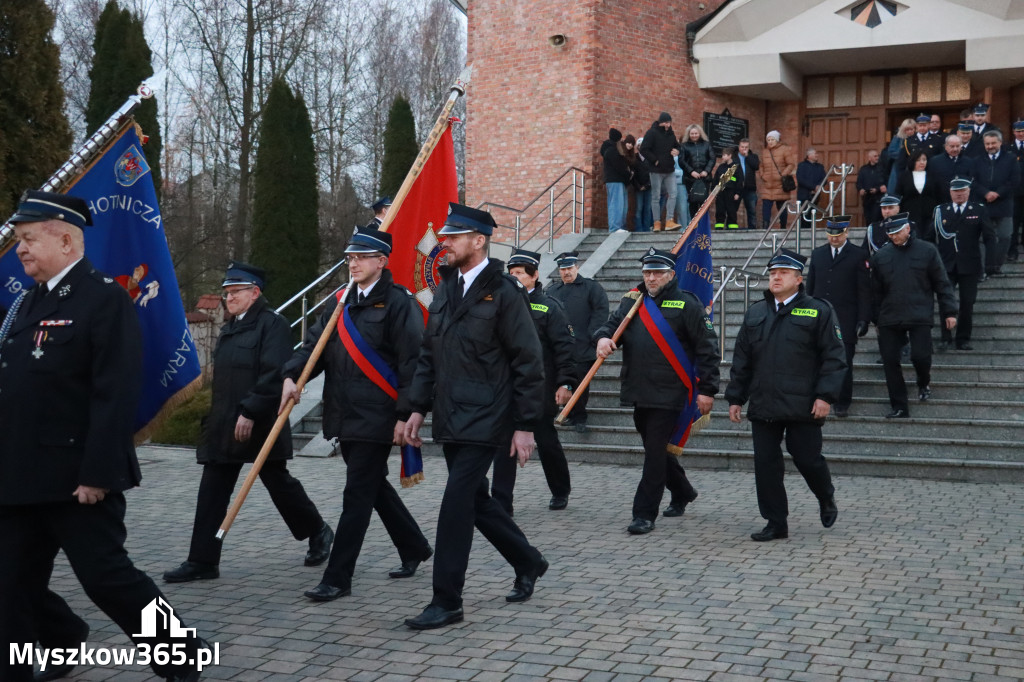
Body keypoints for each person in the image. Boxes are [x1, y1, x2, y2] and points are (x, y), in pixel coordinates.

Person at [0, 190, 206, 682]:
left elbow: (115, 394)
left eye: (28, 238)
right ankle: (57, 643)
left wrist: (98, 472)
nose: (20, 248)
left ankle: (182, 655)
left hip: (75, 477)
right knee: (9, 583)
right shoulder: (28, 301)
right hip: (20, 475)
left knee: (107, 578)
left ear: (66, 241)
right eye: (18, 239)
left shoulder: (104, 298)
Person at [404, 203, 548, 630]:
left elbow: (528, 362)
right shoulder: (445, 289)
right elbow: (429, 354)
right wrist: (417, 406)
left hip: (489, 416)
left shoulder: (505, 293)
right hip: (451, 415)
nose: (445, 243)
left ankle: (446, 600)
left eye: (454, 237)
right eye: (445, 237)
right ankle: (528, 560)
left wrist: (524, 425)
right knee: (476, 501)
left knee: (455, 506)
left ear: (479, 241)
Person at [278, 226, 433, 602]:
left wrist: (406, 414)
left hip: (379, 415)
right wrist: (291, 375)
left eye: (361, 257)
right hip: (343, 413)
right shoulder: (339, 302)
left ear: (381, 261)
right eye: (350, 257)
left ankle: (338, 577)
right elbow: (313, 347)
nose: (353, 263)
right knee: (372, 486)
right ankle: (413, 546)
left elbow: (413, 363)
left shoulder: (399, 304)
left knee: (357, 494)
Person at [163, 262, 333, 585]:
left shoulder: (273, 325)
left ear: (255, 293)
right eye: (226, 292)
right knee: (212, 490)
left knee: (279, 485)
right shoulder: (230, 328)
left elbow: (274, 374)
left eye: (235, 292)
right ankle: (202, 560)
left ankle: (318, 530)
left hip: (260, 422)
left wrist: (251, 411)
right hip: (224, 423)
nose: (229, 298)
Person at [594, 247, 719, 535]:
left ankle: (643, 514)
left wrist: (708, 389)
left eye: (658, 273)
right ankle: (683, 490)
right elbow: (610, 327)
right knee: (657, 449)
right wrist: (602, 338)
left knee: (653, 454)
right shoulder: (633, 301)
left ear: (671, 275)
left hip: (671, 392)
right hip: (638, 389)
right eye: (647, 272)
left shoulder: (687, 304)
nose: (651, 278)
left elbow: (707, 349)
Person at [725, 249, 846, 542]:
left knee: (807, 458)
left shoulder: (818, 310)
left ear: (798, 279)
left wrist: (825, 396)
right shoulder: (756, 312)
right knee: (766, 465)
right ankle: (776, 521)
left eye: (783, 273)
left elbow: (834, 357)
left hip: (803, 403)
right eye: (772, 273)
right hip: (764, 401)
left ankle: (825, 495)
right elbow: (743, 359)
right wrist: (736, 397)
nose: (776, 278)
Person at [491, 249, 577, 514]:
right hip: (507, 387)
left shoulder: (549, 306)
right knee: (504, 444)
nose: (514, 277)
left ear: (535, 275)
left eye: (519, 273)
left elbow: (564, 348)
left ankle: (560, 489)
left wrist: (565, 383)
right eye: (511, 272)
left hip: (540, 387)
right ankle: (502, 502)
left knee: (546, 441)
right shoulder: (501, 303)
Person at [870, 213, 958, 418]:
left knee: (920, 356)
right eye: (890, 233)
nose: (893, 236)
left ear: (908, 229)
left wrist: (950, 311)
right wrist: (875, 318)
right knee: (890, 361)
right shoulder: (881, 256)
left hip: (919, 314)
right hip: (889, 316)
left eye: (897, 232)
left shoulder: (927, 250)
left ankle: (923, 381)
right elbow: (874, 291)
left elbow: (942, 283)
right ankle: (899, 406)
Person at [805, 216, 871, 417]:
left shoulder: (858, 255)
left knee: (844, 362)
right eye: (830, 234)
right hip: (820, 317)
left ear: (846, 233)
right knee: (817, 360)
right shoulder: (818, 254)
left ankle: (842, 401)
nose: (834, 238)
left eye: (838, 235)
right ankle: (818, 397)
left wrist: (864, 319)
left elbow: (864, 290)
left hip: (846, 318)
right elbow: (810, 288)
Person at [547, 251, 609, 433]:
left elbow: (600, 312)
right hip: (558, 346)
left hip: (583, 345)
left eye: (570, 268)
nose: (566, 272)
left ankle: (579, 417)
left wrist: (593, 336)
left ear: (577, 267)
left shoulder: (592, 288)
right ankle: (559, 412)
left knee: (580, 381)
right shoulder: (552, 291)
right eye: (563, 269)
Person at [933, 177, 996, 351]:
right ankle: (946, 337)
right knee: (945, 302)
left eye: (962, 191)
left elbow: (989, 237)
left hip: (970, 265)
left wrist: (991, 263)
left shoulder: (978, 210)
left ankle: (963, 338)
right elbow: (930, 237)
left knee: (967, 303)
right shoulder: (941, 211)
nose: (959, 194)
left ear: (968, 192)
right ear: (950, 192)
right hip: (946, 265)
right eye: (956, 191)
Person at [976, 130, 1021, 275]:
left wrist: (998, 193)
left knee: (1005, 236)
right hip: (984, 204)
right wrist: (985, 193)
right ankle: (984, 267)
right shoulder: (977, 160)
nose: (990, 146)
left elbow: (1014, 180)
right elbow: (973, 181)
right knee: (983, 238)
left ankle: (996, 265)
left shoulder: (1011, 159)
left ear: (1000, 142)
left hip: (1004, 204)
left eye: (993, 143)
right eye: (987, 143)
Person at [640, 112, 681, 230]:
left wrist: (677, 150)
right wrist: (655, 160)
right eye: (666, 123)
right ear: (660, 122)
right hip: (656, 170)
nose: (668, 125)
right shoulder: (652, 133)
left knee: (673, 194)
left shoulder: (671, 134)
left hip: (669, 169)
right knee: (656, 196)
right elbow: (644, 149)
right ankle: (656, 222)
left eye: (669, 123)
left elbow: (677, 146)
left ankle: (669, 221)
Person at [895, 149, 941, 240]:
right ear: (913, 161)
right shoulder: (904, 177)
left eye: (924, 160)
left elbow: (939, 195)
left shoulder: (933, 176)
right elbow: (898, 195)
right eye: (918, 160)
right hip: (910, 215)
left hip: (929, 215)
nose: (922, 162)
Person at [759, 130, 796, 230]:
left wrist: (783, 175)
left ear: (777, 140)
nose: (770, 142)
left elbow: (791, 164)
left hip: (780, 184)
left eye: (772, 139)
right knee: (766, 206)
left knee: (782, 207)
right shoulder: (765, 151)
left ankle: (783, 227)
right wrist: (762, 175)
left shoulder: (784, 150)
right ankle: (765, 228)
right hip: (767, 184)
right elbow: (761, 165)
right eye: (768, 140)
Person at [681, 123, 715, 224]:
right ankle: (694, 225)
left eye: (696, 133)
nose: (694, 135)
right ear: (689, 134)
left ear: (700, 133)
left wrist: (706, 171)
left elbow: (712, 158)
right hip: (690, 179)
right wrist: (691, 171)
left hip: (704, 179)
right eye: (692, 133)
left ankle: (704, 225)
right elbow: (681, 161)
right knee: (692, 203)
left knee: (704, 203)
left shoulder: (707, 144)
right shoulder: (684, 146)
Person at [928, 134, 976, 203]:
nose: (955, 149)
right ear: (946, 146)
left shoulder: (968, 162)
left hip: (962, 201)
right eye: (952, 146)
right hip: (941, 200)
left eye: (958, 146)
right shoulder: (935, 161)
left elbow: (971, 183)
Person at [602, 128, 631, 232]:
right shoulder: (612, 151)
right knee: (616, 204)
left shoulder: (609, 150)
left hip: (615, 180)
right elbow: (619, 167)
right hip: (615, 180)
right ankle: (615, 227)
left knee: (618, 204)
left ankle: (618, 226)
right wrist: (628, 174)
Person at [796, 147, 826, 229]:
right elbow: (800, 179)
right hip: (804, 195)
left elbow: (824, 178)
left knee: (813, 214)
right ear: (809, 155)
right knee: (804, 216)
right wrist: (814, 187)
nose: (817, 155)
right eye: (815, 153)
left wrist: (819, 186)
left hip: (815, 196)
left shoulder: (820, 167)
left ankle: (812, 231)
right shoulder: (802, 165)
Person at [712, 147, 741, 229]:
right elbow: (715, 180)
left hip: (731, 192)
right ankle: (719, 226)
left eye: (724, 155)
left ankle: (732, 227)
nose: (722, 157)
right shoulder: (721, 167)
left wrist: (737, 193)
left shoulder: (735, 167)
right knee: (720, 210)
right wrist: (714, 192)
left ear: (730, 156)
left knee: (731, 210)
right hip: (720, 192)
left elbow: (739, 181)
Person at [857, 149, 888, 225]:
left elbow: (886, 182)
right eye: (875, 156)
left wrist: (877, 189)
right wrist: (860, 189)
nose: (877, 158)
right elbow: (859, 182)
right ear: (870, 158)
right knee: (868, 220)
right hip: (867, 199)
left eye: (878, 156)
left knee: (877, 220)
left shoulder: (882, 169)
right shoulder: (863, 169)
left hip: (879, 199)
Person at [885, 118, 918, 190]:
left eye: (911, 129)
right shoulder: (898, 138)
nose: (909, 132)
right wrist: (904, 154)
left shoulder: (918, 139)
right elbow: (891, 152)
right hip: (898, 167)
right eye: (907, 130)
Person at [735, 138, 761, 229]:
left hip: (750, 187)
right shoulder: (734, 157)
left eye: (746, 147)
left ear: (749, 148)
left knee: (752, 210)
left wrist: (747, 156)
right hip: (736, 187)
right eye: (742, 147)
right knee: (733, 209)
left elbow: (756, 166)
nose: (744, 149)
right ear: (739, 147)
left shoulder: (753, 156)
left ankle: (752, 229)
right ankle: (731, 228)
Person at [1009, 120, 1024, 263]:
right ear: (1014, 132)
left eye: (1023, 131)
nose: (1021, 134)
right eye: (1018, 131)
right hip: (1015, 192)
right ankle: (1012, 250)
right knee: (1014, 222)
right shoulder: (1008, 148)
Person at [632, 136, 653, 232]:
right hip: (638, 188)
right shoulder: (634, 158)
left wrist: (647, 185)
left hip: (649, 187)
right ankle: (638, 229)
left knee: (647, 209)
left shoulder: (651, 158)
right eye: (639, 145)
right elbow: (633, 174)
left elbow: (653, 173)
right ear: (637, 146)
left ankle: (646, 229)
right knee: (639, 208)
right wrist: (638, 186)